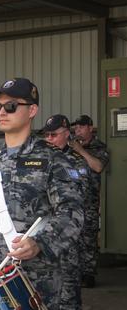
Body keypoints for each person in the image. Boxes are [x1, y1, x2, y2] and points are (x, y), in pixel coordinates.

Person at [0, 78, 84, 310]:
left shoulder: (54, 160)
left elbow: (71, 214)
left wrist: (39, 243)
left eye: (11, 106)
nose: (2, 111)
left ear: (32, 110)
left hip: (38, 282)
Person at [42, 114, 90, 310]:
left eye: (54, 135)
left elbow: (79, 194)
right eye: (46, 135)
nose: (49, 139)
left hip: (67, 232)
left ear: (66, 134)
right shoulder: (41, 159)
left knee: (69, 288)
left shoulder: (76, 161)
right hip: (43, 232)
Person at [70, 114, 110, 288]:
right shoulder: (69, 148)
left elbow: (98, 167)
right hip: (71, 201)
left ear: (90, 128)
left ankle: (88, 275)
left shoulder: (99, 147)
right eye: (75, 127)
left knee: (88, 239)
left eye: (81, 127)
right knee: (72, 238)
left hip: (89, 202)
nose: (77, 130)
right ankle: (74, 273)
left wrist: (81, 151)